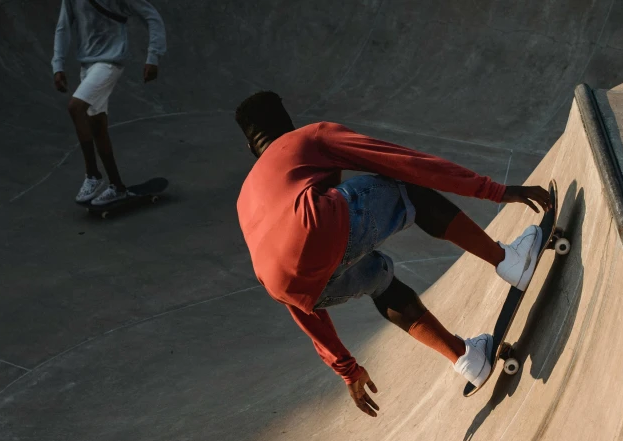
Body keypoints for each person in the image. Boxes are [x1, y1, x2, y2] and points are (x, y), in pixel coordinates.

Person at [235, 91, 552, 417]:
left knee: (378, 277)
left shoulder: (246, 199)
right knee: (407, 187)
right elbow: (402, 162)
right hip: (323, 231)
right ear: (289, 124)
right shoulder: (308, 138)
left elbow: (288, 285)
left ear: (250, 148)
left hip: (298, 288)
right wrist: (496, 191)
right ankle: (509, 262)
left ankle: (466, 359)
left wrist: (347, 369)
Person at [51, 0, 167, 205]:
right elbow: (63, 27)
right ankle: (117, 186)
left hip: (110, 63)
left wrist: (153, 56)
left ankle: (93, 174)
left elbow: (152, 16)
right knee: (98, 126)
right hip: (86, 65)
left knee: (76, 107)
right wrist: (57, 65)